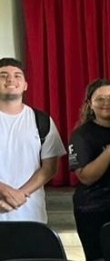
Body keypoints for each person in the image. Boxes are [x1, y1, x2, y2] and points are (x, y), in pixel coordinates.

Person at [67, 78, 110, 261]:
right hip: (93, 207)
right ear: (90, 104)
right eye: (100, 99)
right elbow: (85, 177)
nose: (107, 103)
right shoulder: (81, 135)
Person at [0, 57, 65, 225]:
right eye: (3, 75)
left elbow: (49, 168)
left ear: (25, 85)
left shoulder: (41, 120)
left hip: (30, 214)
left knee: (31, 252)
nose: (10, 80)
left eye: (17, 75)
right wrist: (4, 191)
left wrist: (20, 194)